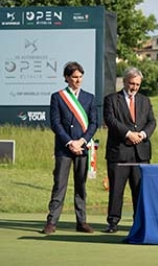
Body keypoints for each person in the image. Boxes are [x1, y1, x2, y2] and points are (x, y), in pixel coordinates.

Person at [42, 61, 98, 235]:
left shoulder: (89, 98)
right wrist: (69, 142)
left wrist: (81, 141)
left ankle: (81, 221)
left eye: (80, 77)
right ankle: (52, 222)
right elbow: (56, 123)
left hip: (83, 148)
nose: (78, 80)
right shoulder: (58, 97)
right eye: (74, 77)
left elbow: (94, 123)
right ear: (66, 78)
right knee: (60, 184)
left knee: (80, 185)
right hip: (64, 148)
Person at [103, 67, 156, 233]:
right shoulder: (111, 99)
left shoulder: (145, 101)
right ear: (125, 81)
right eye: (132, 83)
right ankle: (113, 222)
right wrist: (128, 134)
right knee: (116, 190)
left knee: (139, 191)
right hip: (119, 152)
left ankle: (138, 222)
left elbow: (151, 122)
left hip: (140, 153)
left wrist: (142, 134)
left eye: (137, 85)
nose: (134, 87)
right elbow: (111, 120)